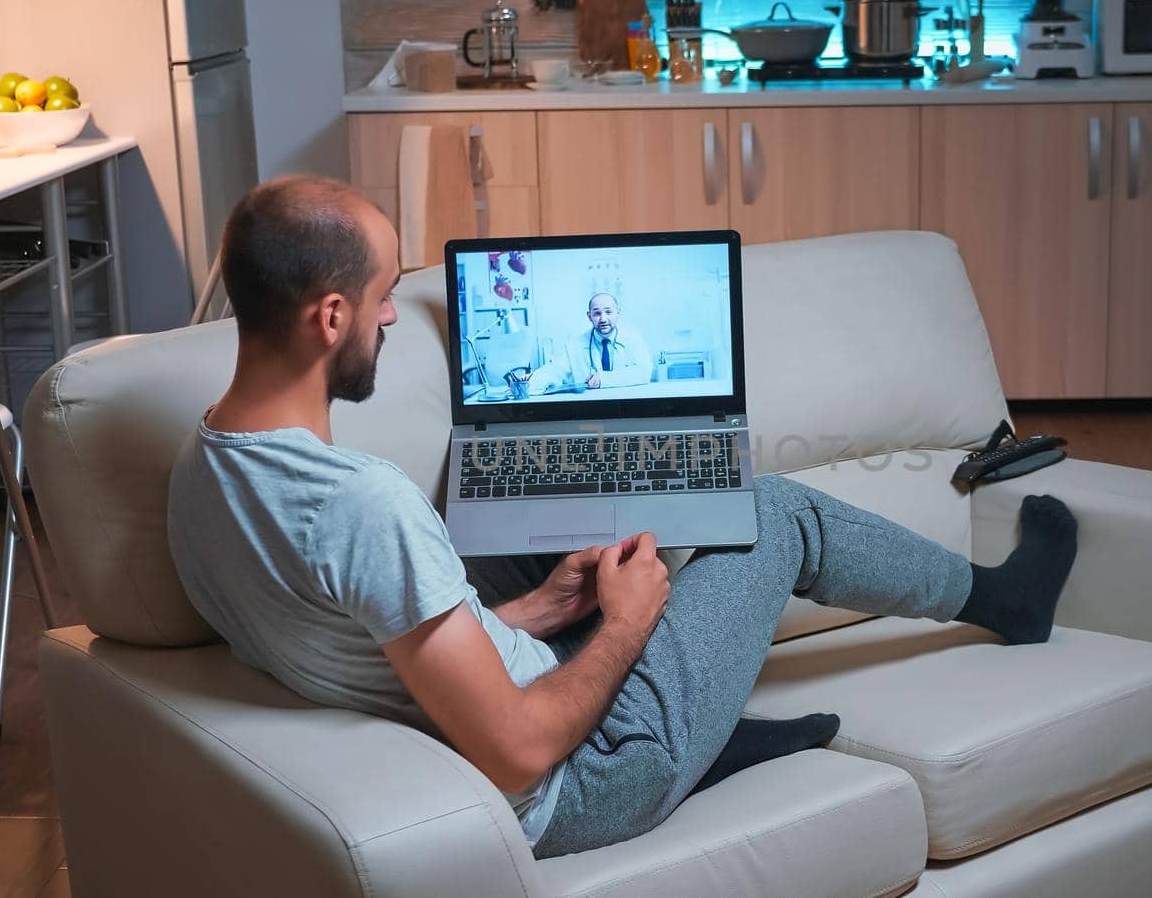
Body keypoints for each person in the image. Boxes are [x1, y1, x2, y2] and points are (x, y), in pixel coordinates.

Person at [167, 176, 1079, 859]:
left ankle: (706, 728)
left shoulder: (200, 469)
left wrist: (535, 616)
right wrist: (628, 624)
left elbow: (366, 650)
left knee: (564, 563)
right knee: (770, 510)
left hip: (466, 704)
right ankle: (1006, 601)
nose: (391, 323)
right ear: (330, 317)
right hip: (584, 777)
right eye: (380, 302)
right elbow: (522, 753)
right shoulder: (364, 503)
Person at [524, 292, 653, 391]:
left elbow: (644, 373)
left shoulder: (634, 339)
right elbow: (555, 371)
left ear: (618, 313)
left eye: (608, 312)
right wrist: (529, 381)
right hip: (590, 410)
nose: (603, 319)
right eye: (597, 313)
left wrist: (603, 379)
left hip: (625, 407)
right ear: (589, 316)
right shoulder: (574, 345)